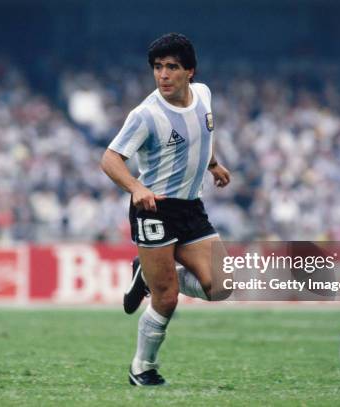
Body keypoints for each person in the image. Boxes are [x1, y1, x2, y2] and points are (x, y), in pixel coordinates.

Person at [100, 33, 231, 386]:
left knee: (222, 285)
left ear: (190, 71)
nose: (163, 75)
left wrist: (214, 164)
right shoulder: (145, 114)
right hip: (154, 209)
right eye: (158, 68)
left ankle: (146, 272)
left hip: (190, 208)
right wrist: (137, 187)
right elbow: (110, 159)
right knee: (167, 298)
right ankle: (142, 368)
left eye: (171, 67)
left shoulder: (203, 95)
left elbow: (201, 135)